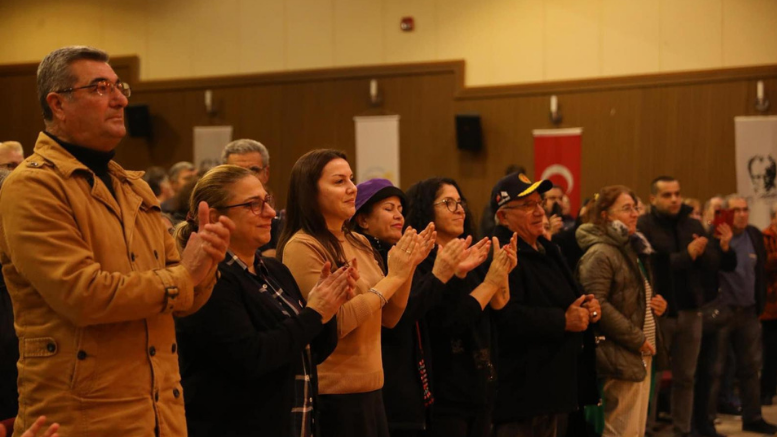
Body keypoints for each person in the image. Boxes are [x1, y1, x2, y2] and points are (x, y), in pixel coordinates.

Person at [0, 45, 233, 436]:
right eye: (100, 87)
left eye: (119, 86)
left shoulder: (132, 186)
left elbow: (181, 298)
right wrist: (186, 275)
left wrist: (206, 265)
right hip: (84, 418)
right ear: (58, 104)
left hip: (160, 411)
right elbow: (83, 295)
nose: (121, 99)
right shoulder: (33, 186)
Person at [175, 165, 352, 437]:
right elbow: (251, 358)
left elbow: (312, 351)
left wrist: (328, 304)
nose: (270, 212)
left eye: (267, 201)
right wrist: (314, 313)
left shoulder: (275, 271)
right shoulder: (209, 279)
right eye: (253, 205)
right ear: (215, 217)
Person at [278, 149, 432, 437]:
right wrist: (394, 277)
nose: (352, 188)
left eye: (351, 179)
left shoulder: (359, 241)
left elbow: (390, 317)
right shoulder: (302, 245)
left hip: (373, 390)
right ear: (310, 191)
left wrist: (407, 267)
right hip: (334, 395)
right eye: (339, 181)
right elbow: (335, 322)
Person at [352, 178, 474, 436]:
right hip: (387, 390)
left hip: (415, 388)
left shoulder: (398, 253)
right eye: (389, 209)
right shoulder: (363, 259)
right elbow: (398, 318)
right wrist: (439, 275)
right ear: (362, 220)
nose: (399, 215)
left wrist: (455, 274)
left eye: (400, 209)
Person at [490, 172, 600, 437]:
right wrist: (563, 320)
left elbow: (568, 295)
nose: (540, 211)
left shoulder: (548, 248)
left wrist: (587, 305)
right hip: (522, 394)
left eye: (539, 203)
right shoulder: (500, 252)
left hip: (556, 387)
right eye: (528, 205)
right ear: (503, 217)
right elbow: (506, 317)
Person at [403, 177, 515, 437]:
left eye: (460, 202)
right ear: (426, 210)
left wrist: (503, 270)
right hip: (447, 393)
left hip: (480, 385)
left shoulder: (471, 254)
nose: (459, 210)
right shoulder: (422, 262)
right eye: (448, 203)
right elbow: (450, 322)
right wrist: (489, 282)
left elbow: (499, 309)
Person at [638, 177, 732, 437]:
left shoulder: (692, 223)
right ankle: (645, 430)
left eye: (677, 194)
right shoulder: (645, 225)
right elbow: (653, 266)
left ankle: (683, 429)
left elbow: (712, 262)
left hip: (691, 310)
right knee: (653, 378)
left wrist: (706, 251)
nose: (674, 199)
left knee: (686, 377)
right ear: (653, 199)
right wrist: (687, 255)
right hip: (659, 312)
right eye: (667, 195)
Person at [576, 185, 668, 437]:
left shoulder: (630, 249)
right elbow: (597, 303)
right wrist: (637, 339)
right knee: (619, 430)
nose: (635, 214)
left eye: (636, 208)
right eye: (627, 208)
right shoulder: (601, 252)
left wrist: (657, 305)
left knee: (635, 430)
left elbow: (633, 297)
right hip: (620, 351)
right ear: (605, 215)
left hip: (639, 349)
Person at [702, 195, 777, 435]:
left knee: (750, 368)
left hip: (748, 311)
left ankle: (753, 417)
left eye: (745, 209)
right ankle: (706, 423)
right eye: (737, 210)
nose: (742, 214)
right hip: (721, 311)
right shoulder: (713, 236)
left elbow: (759, 270)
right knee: (715, 370)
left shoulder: (753, 234)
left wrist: (759, 303)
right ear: (725, 213)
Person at [221, 139, 281, 256]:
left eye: (253, 170)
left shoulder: (282, 223)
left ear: (266, 173)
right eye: (237, 172)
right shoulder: (216, 220)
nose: (247, 177)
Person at [762, 202, 777, 406]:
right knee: (770, 352)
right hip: (770, 305)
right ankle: (766, 391)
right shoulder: (764, 237)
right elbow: (764, 264)